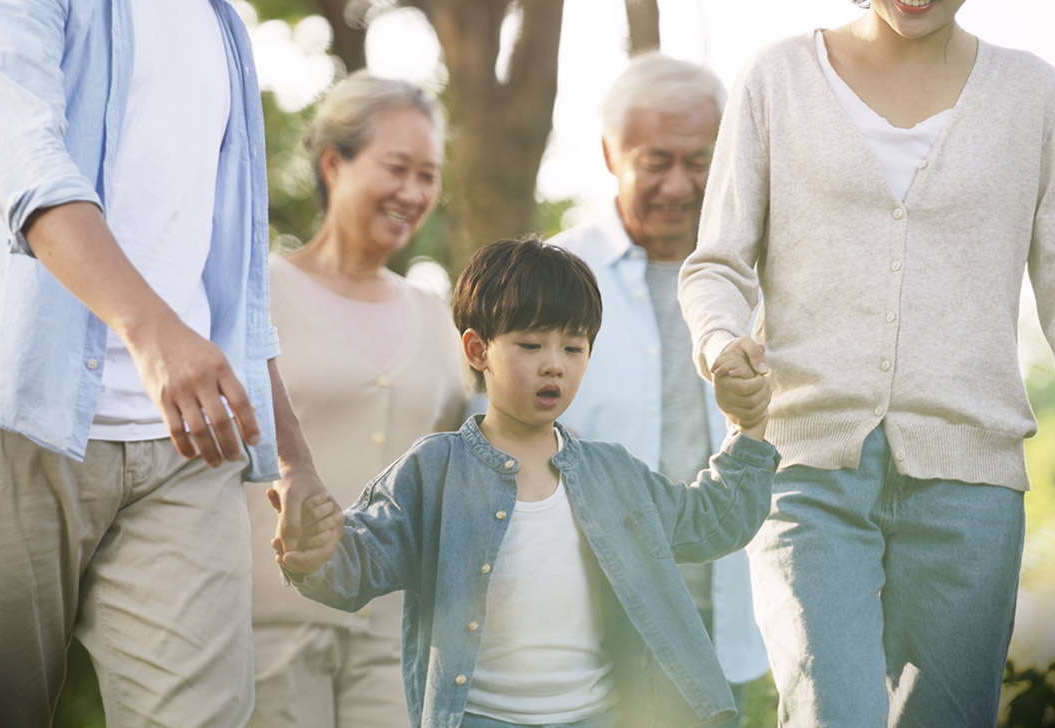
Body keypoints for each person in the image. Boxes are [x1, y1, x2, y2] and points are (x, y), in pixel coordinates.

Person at [0, 0, 335, 727]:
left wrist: (296, 460)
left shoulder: (218, 9)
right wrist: (150, 332)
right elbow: (19, 156)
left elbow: (225, 266)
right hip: (14, 422)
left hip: (186, 456)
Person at [678, 0, 1055, 727]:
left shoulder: (1031, 95)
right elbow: (716, 262)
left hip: (969, 482)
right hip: (805, 466)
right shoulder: (778, 79)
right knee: (830, 712)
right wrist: (722, 342)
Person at [277, 236, 780, 728]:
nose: (553, 364)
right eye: (531, 344)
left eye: (574, 347)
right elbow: (360, 564)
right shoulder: (435, 469)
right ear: (478, 350)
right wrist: (318, 551)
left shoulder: (613, 474)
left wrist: (749, 427)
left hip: (600, 714)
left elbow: (712, 522)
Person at [245, 73, 468, 728]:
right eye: (396, 167)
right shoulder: (257, 292)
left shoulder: (439, 316)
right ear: (333, 163)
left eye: (428, 175)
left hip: (396, 638)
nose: (413, 192)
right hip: (268, 629)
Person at [551, 52, 768, 720]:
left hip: (750, 638)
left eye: (699, 159)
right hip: (595, 643)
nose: (678, 184)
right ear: (609, 154)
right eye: (655, 160)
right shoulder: (552, 276)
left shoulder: (768, 282)